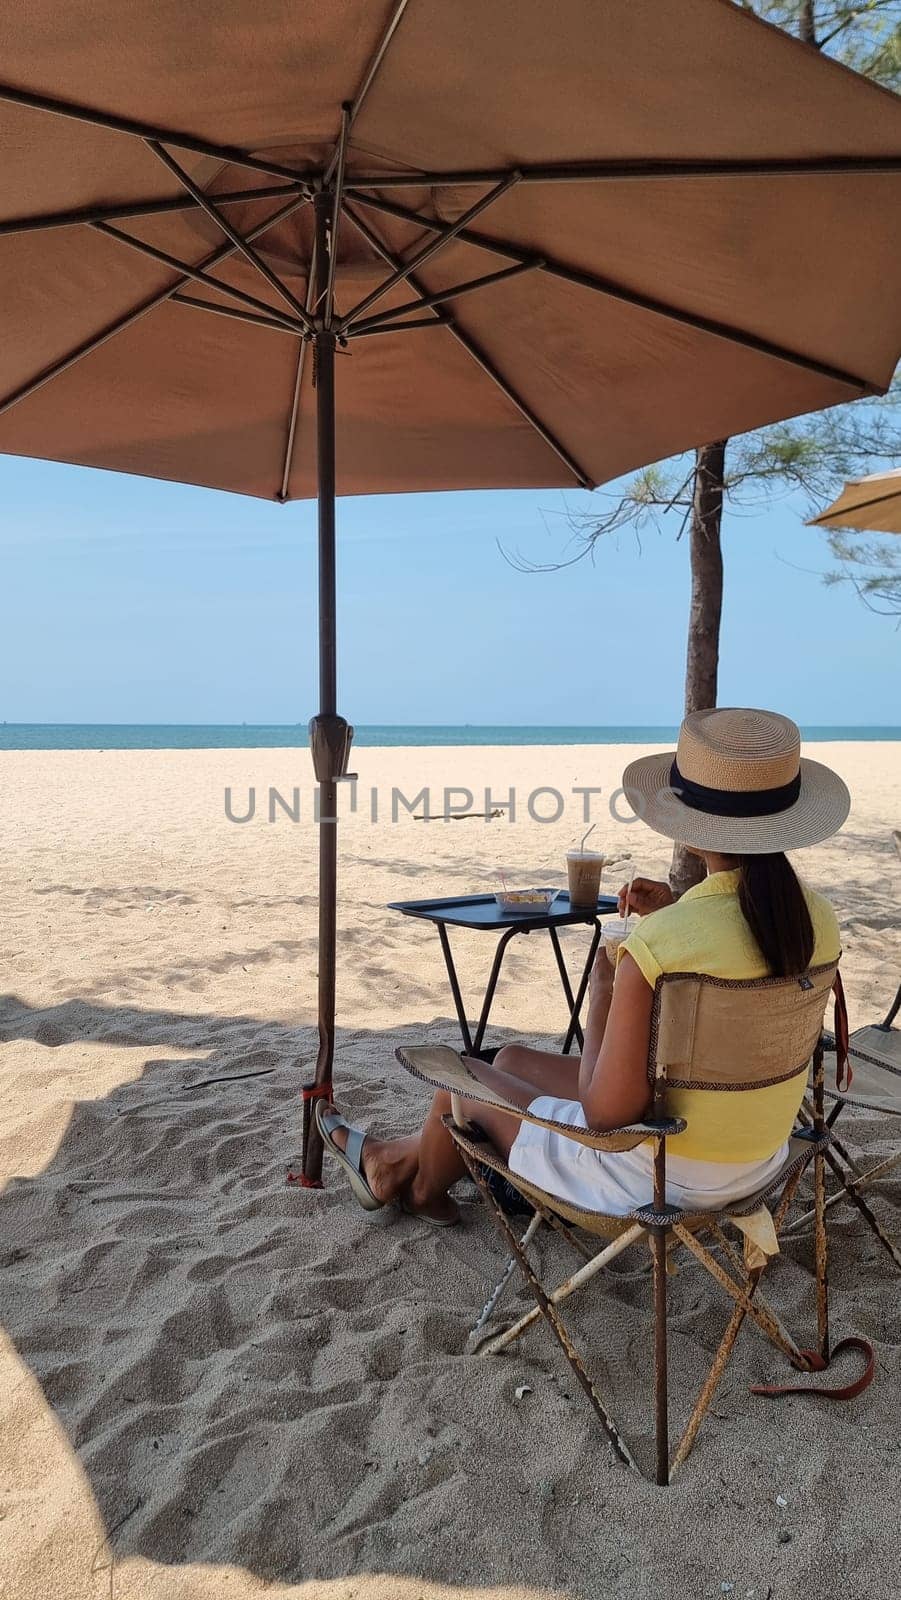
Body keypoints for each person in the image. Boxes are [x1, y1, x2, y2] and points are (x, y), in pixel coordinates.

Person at [317, 707, 850, 1225]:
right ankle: (397, 1166)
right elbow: (735, 958)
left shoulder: (662, 946)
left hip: (655, 1178)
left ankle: (415, 1186)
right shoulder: (814, 921)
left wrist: (603, 991)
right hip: (757, 1161)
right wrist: (678, 911)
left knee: (461, 1082)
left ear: (688, 822)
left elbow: (605, 1117)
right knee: (510, 1061)